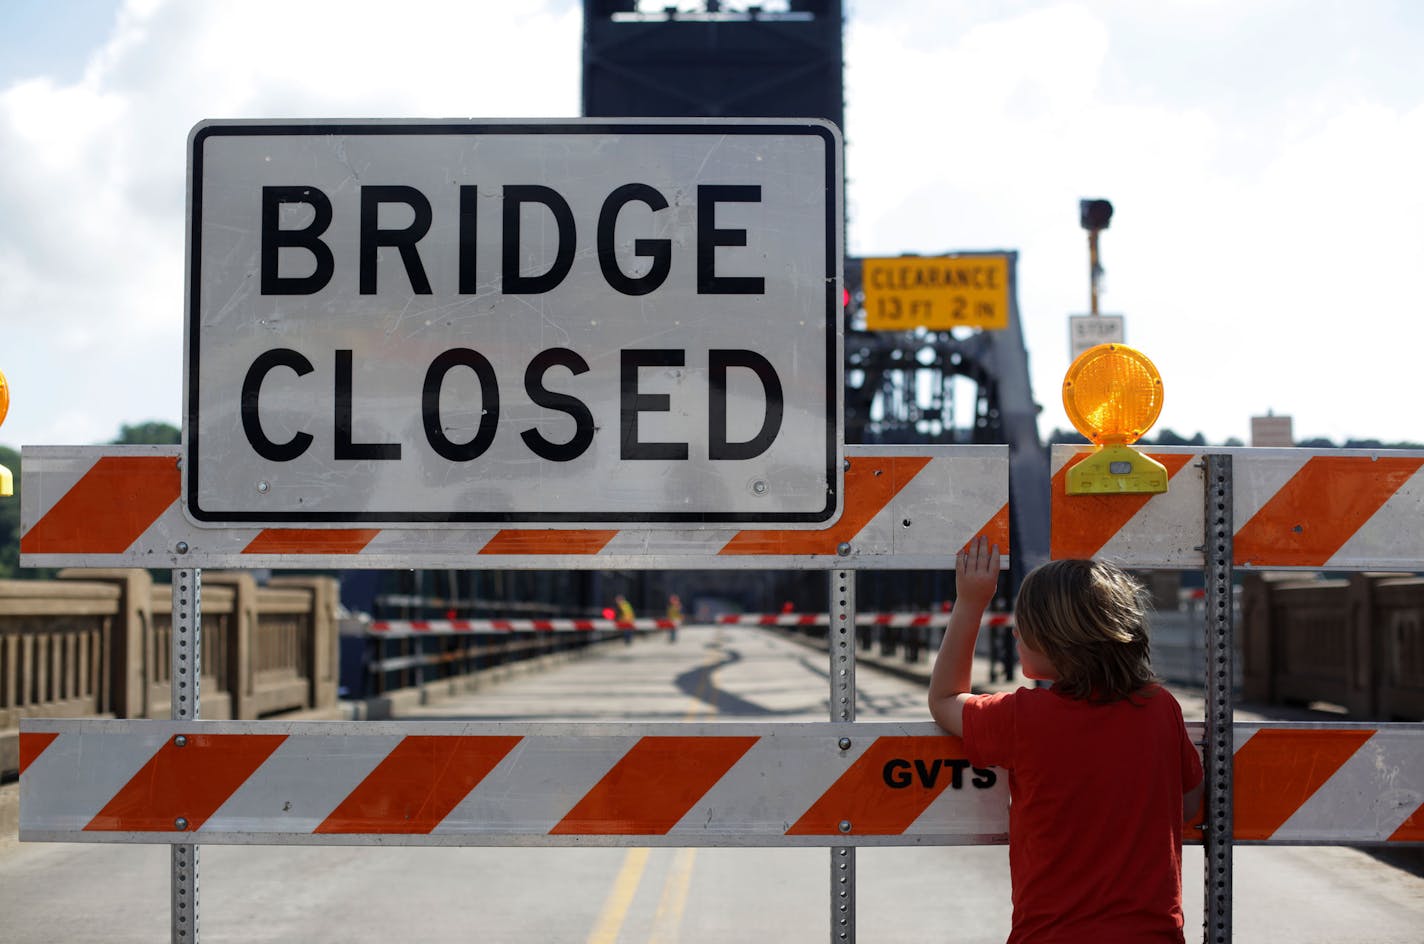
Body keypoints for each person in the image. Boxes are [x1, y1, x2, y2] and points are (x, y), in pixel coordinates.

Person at [928, 536, 1204, 943]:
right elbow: (1189, 804)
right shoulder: (1160, 708)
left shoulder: (1022, 717)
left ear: (1056, 640)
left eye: (1026, 626)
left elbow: (944, 698)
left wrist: (971, 601)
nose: (1017, 632)